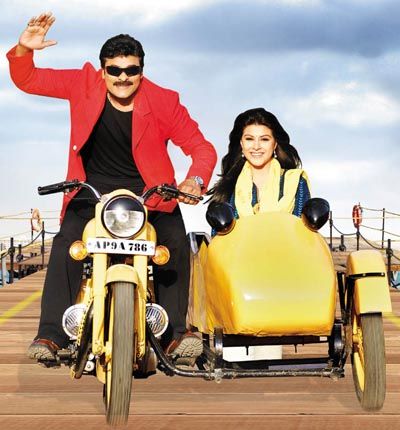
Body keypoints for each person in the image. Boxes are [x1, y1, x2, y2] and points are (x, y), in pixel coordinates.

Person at [7, 12, 217, 361]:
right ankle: (51, 335)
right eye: (114, 70)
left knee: (175, 244)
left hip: (151, 196)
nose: (123, 77)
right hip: (91, 193)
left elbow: (202, 148)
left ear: (141, 71)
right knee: (67, 244)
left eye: (131, 70)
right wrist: (23, 49)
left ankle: (176, 335)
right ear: (103, 70)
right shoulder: (82, 84)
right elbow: (27, 79)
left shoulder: (164, 101)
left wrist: (195, 180)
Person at [208, 108, 310, 220]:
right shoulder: (229, 186)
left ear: (275, 144)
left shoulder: (295, 181)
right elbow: (218, 230)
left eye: (264, 139)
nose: (256, 146)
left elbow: (303, 227)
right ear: (241, 143)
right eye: (249, 139)